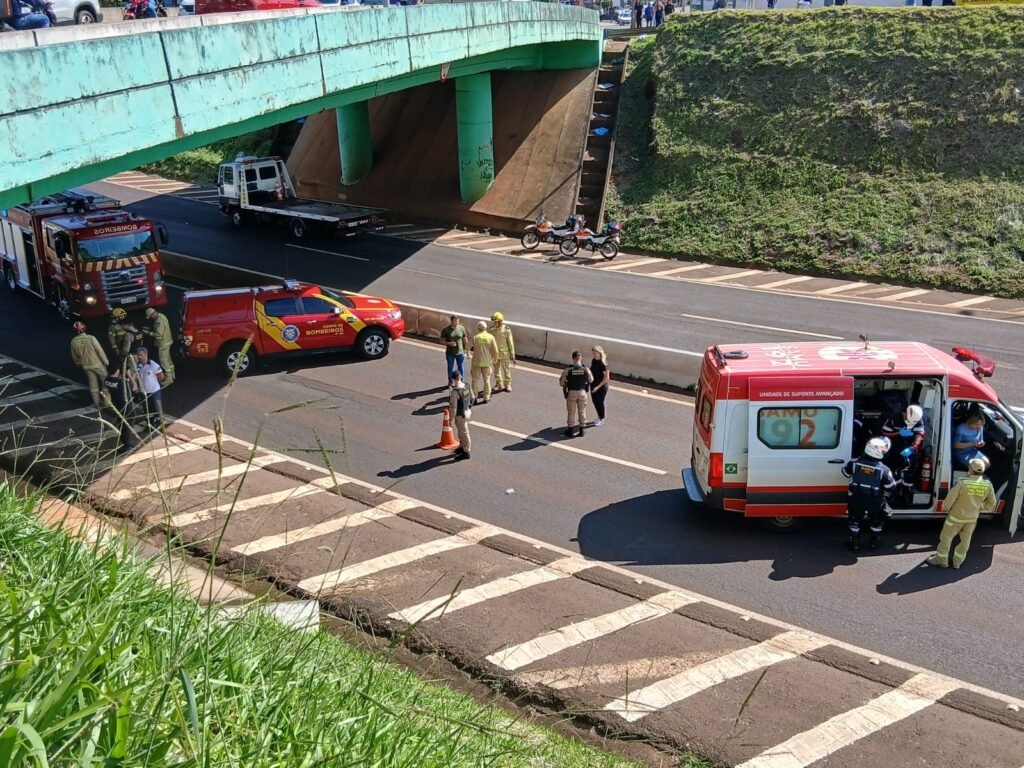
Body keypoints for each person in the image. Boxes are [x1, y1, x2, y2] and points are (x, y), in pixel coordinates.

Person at [926, 458, 995, 570]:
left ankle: (942, 560)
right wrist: (979, 507)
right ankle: (957, 562)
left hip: (956, 517)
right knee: (965, 541)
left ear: (971, 469)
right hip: (971, 519)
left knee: (946, 538)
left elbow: (951, 498)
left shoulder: (962, 482)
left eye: (969, 466)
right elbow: (992, 503)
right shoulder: (987, 485)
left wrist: (945, 507)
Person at [842, 436, 897, 552]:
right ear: (877, 452)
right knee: (876, 521)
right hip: (875, 500)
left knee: (854, 520)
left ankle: (854, 544)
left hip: (857, 497)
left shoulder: (854, 464)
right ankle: (874, 544)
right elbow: (890, 487)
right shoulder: (884, 470)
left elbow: (845, 473)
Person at [882, 404, 926, 505]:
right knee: (893, 469)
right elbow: (884, 432)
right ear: (905, 413)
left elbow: (920, 434)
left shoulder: (918, 419)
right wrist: (898, 433)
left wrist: (913, 447)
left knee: (910, 471)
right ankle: (895, 491)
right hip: (894, 447)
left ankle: (906, 491)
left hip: (910, 448)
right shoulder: (894, 418)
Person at [69, 321, 110, 410]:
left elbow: (74, 356)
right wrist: (106, 362)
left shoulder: (73, 341)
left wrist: (78, 364)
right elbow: (100, 351)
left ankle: (97, 404)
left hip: (86, 366)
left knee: (93, 385)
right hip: (98, 364)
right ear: (84, 328)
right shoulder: (91, 338)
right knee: (105, 383)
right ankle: (107, 403)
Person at [102, 365, 140, 451]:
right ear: (117, 371)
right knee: (128, 428)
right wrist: (130, 376)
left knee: (122, 426)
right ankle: (128, 445)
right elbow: (135, 388)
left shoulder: (107, 380)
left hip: (118, 408)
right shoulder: (122, 382)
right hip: (128, 409)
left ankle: (125, 443)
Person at [559, 350, 593, 438]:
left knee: (571, 412)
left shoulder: (568, 370)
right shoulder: (586, 369)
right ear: (581, 358)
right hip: (582, 392)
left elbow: (562, 383)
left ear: (573, 358)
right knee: (582, 411)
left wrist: (567, 383)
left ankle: (570, 430)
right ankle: (582, 430)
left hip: (572, 393)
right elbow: (591, 380)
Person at [143, 307, 175, 387]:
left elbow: (158, 334)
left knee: (163, 361)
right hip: (168, 341)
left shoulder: (158, 321)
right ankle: (172, 374)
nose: (151, 318)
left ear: (152, 314)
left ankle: (169, 379)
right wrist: (150, 328)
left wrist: (148, 333)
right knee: (168, 359)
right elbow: (160, 329)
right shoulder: (162, 316)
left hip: (163, 343)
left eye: (150, 316)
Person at [469, 321, 499, 404]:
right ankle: (486, 397)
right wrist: (494, 360)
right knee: (487, 380)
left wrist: (469, 354)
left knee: (475, 380)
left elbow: (468, 347)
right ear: (486, 328)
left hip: (476, 362)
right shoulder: (491, 337)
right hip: (487, 363)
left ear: (478, 328)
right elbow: (496, 351)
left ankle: (474, 398)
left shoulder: (475, 337)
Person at [134, 346, 165, 431]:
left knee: (157, 408)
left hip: (154, 391)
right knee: (147, 410)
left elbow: (161, 377)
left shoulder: (153, 365)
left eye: (141, 355)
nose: (139, 357)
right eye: (138, 355)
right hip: (144, 392)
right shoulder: (138, 366)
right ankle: (150, 424)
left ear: (146, 354)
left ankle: (159, 424)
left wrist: (153, 383)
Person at [448, 370, 472, 461]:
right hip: (466, 412)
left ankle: (466, 452)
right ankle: (462, 447)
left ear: (453, 379)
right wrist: (468, 408)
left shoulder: (455, 392)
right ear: (460, 377)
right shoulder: (467, 386)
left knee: (464, 433)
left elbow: (453, 407)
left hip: (459, 415)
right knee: (462, 432)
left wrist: (451, 420)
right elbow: (472, 398)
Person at [490, 312, 516, 393]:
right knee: (496, 370)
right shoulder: (492, 329)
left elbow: (510, 343)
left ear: (500, 322)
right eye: (494, 322)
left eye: (496, 322)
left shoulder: (506, 330)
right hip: (495, 354)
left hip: (504, 354)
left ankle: (507, 385)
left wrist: (512, 354)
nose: (494, 323)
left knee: (506, 370)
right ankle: (499, 384)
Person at [439, 315, 468, 384]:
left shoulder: (461, 328)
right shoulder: (446, 330)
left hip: (460, 352)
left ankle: (461, 381)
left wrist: (466, 349)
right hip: (450, 353)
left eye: (458, 321)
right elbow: (441, 341)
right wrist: (449, 343)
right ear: (451, 321)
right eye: (455, 321)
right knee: (450, 368)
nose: (457, 323)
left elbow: (465, 339)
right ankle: (450, 382)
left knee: (461, 367)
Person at [589, 345, 610, 426]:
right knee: (595, 401)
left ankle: (602, 419)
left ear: (599, 353)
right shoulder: (594, 360)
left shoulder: (603, 364)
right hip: (594, 384)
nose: (594, 355)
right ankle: (599, 416)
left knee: (600, 402)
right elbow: (591, 370)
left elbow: (606, 378)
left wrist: (597, 387)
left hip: (601, 386)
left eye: (595, 353)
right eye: (593, 353)